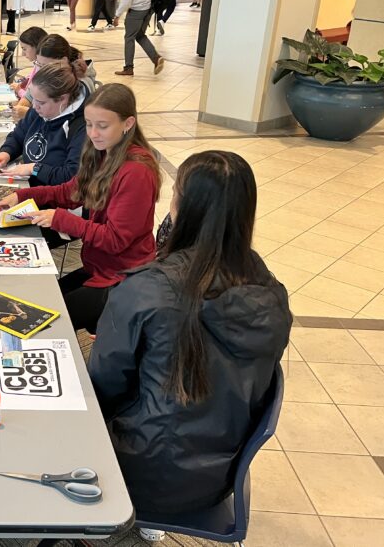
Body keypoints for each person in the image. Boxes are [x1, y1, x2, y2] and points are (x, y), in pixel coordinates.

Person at [88, 151, 291, 539]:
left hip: (142, 474)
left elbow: (102, 386)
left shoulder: (148, 289)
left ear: (183, 206)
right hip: (217, 477)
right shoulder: (272, 292)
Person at [0, 84, 160, 334]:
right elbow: (70, 191)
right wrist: (22, 194)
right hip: (101, 268)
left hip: (124, 279)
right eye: (89, 124)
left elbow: (116, 239)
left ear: (128, 124)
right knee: (42, 303)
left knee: (41, 322)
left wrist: (59, 218)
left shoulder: (136, 172)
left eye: (102, 126)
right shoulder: (104, 152)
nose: (92, 133)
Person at [0, 62, 87, 187]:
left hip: (51, 197)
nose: (34, 106)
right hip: (26, 185)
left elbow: (71, 175)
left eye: (41, 102)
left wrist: (34, 168)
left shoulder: (82, 127)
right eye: (34, 99)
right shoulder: (39, 110)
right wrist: (6, 153)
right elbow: (18, 135)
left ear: (63, 99)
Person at [10, 25, 48, 114]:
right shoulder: (38, 64)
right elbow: (30, 81)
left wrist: (19, 91)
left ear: (37, 47)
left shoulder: (44, 69)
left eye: (24, 49)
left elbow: (34, 98)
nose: (22, 54)